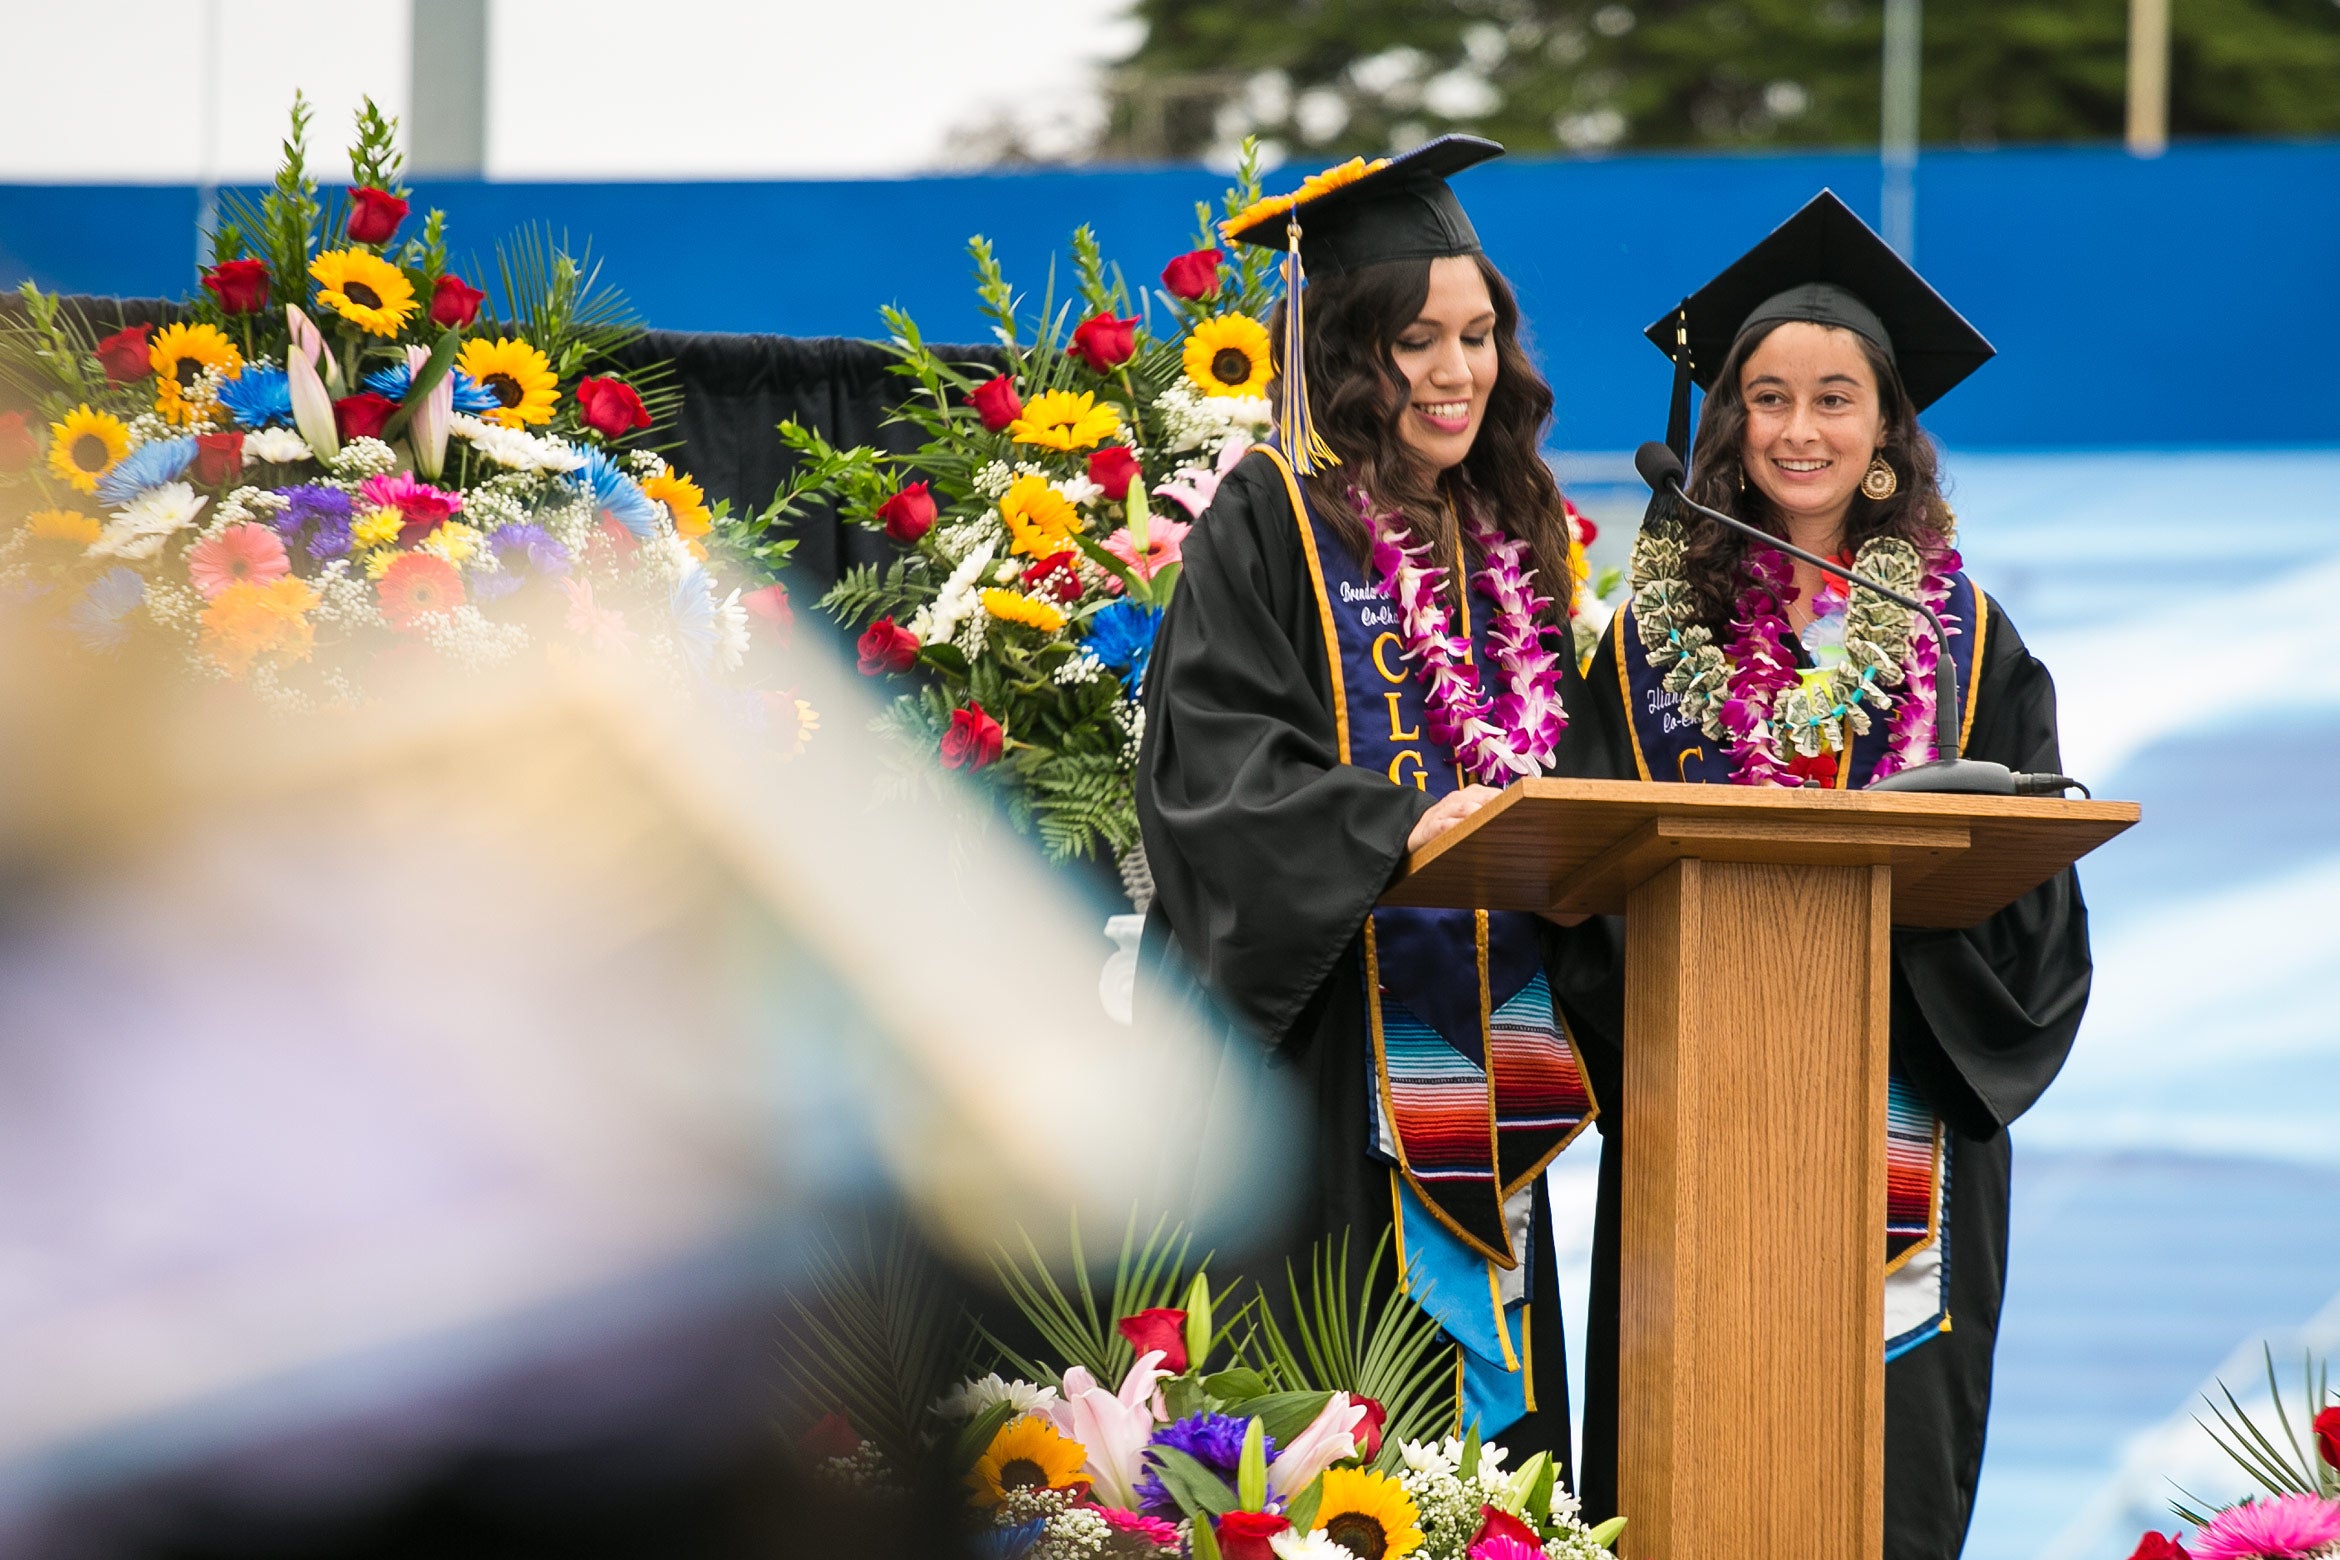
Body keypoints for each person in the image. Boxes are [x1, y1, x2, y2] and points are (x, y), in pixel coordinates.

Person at [1564, 191, 2094, 1558]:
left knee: (1885, 1477)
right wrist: (1689, 1035)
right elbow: (1582, 891)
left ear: (1885, 430)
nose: (1799, 430)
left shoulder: (1966, 639)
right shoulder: (1644, 648)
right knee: (1689, 1461)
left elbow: (2035, 919)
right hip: (1701, 1120)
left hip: (1907, 1111)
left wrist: (1879, 965)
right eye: (1768, 398)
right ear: (1727, 427)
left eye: (1835, 399)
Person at [1134, 135, 1610, 1471]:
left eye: (1478, 337)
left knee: (1482, 1475)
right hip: (1324, 1050)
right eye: (1418, 342)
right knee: (1323, 1433)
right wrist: (1397, 827)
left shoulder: (1513, 537)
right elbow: (1211, 766)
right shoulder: (1270, 518)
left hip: (1484, 1044)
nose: (1459, 372)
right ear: (1349, 353)